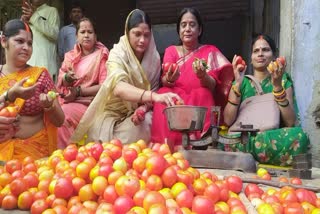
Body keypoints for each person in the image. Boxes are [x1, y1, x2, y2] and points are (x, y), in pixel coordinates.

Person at [71, 9, 182, 144]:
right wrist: (153, 96)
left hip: (138, 113)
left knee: (142, 128)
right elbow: (118, 87)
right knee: (97, 133)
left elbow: (153, 90)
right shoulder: (116, 54)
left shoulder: (154, 58)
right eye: (137, 34)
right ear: (127, 33)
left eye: (147, 35)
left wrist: (143, 108)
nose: (142, 40)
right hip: (112, 110)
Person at [221, 34, 310, 166]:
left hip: (271, 136)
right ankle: (257, 154)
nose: (260, 54)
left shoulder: (283, 79)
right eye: (256, 51)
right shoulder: (243, 81)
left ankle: (247, 157)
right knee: (225, 138)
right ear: (251, 58)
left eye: (265, 50)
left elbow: (290, 122)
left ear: (274, 55)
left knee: (299, 136)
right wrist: (238, 83)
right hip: (245, 136)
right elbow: (228, 120)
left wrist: (278, 86)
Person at [151, 7, 234, 147]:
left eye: (192, 24)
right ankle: (165, 145)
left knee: (205, 93)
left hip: (198, 98)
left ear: (200, 30)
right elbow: (164, 81)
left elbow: (213, 85)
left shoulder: (209, 51)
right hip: (177, 97)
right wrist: (171, 78)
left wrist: (203, 76)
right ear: (179, 30)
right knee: (163, 93)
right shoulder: (171, 51)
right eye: (183, 25)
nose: (187, 29)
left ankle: (200, 143)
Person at [0, 19, 65, 161]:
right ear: (4, 41)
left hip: (35, 154)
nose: (26, 47)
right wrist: (9, 95)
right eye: (20, 41)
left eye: (29, 43)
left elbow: (60, 121)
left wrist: (50, 107)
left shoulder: (40, 75)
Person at [56, 17, 109, 149]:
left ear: (95, 36)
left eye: (90, 32)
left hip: (91, 103)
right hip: (69, 99)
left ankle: (67, 156)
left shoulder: (102, 55)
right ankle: (64, 156)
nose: (86, 35)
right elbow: (62, 80)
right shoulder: (70, 56)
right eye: (82, 32)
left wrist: (79, 91)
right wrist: (68, 78)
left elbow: (105, 86)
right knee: (52, 113)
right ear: (76, 36)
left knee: (63, 115)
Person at [21, 0, 60, 80]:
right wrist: (22, 23)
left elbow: (55, 34)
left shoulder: (52, 10)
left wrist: (34, 17)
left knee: (48, 92)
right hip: (29, 62)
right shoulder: (26, 13)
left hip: (46, 64)